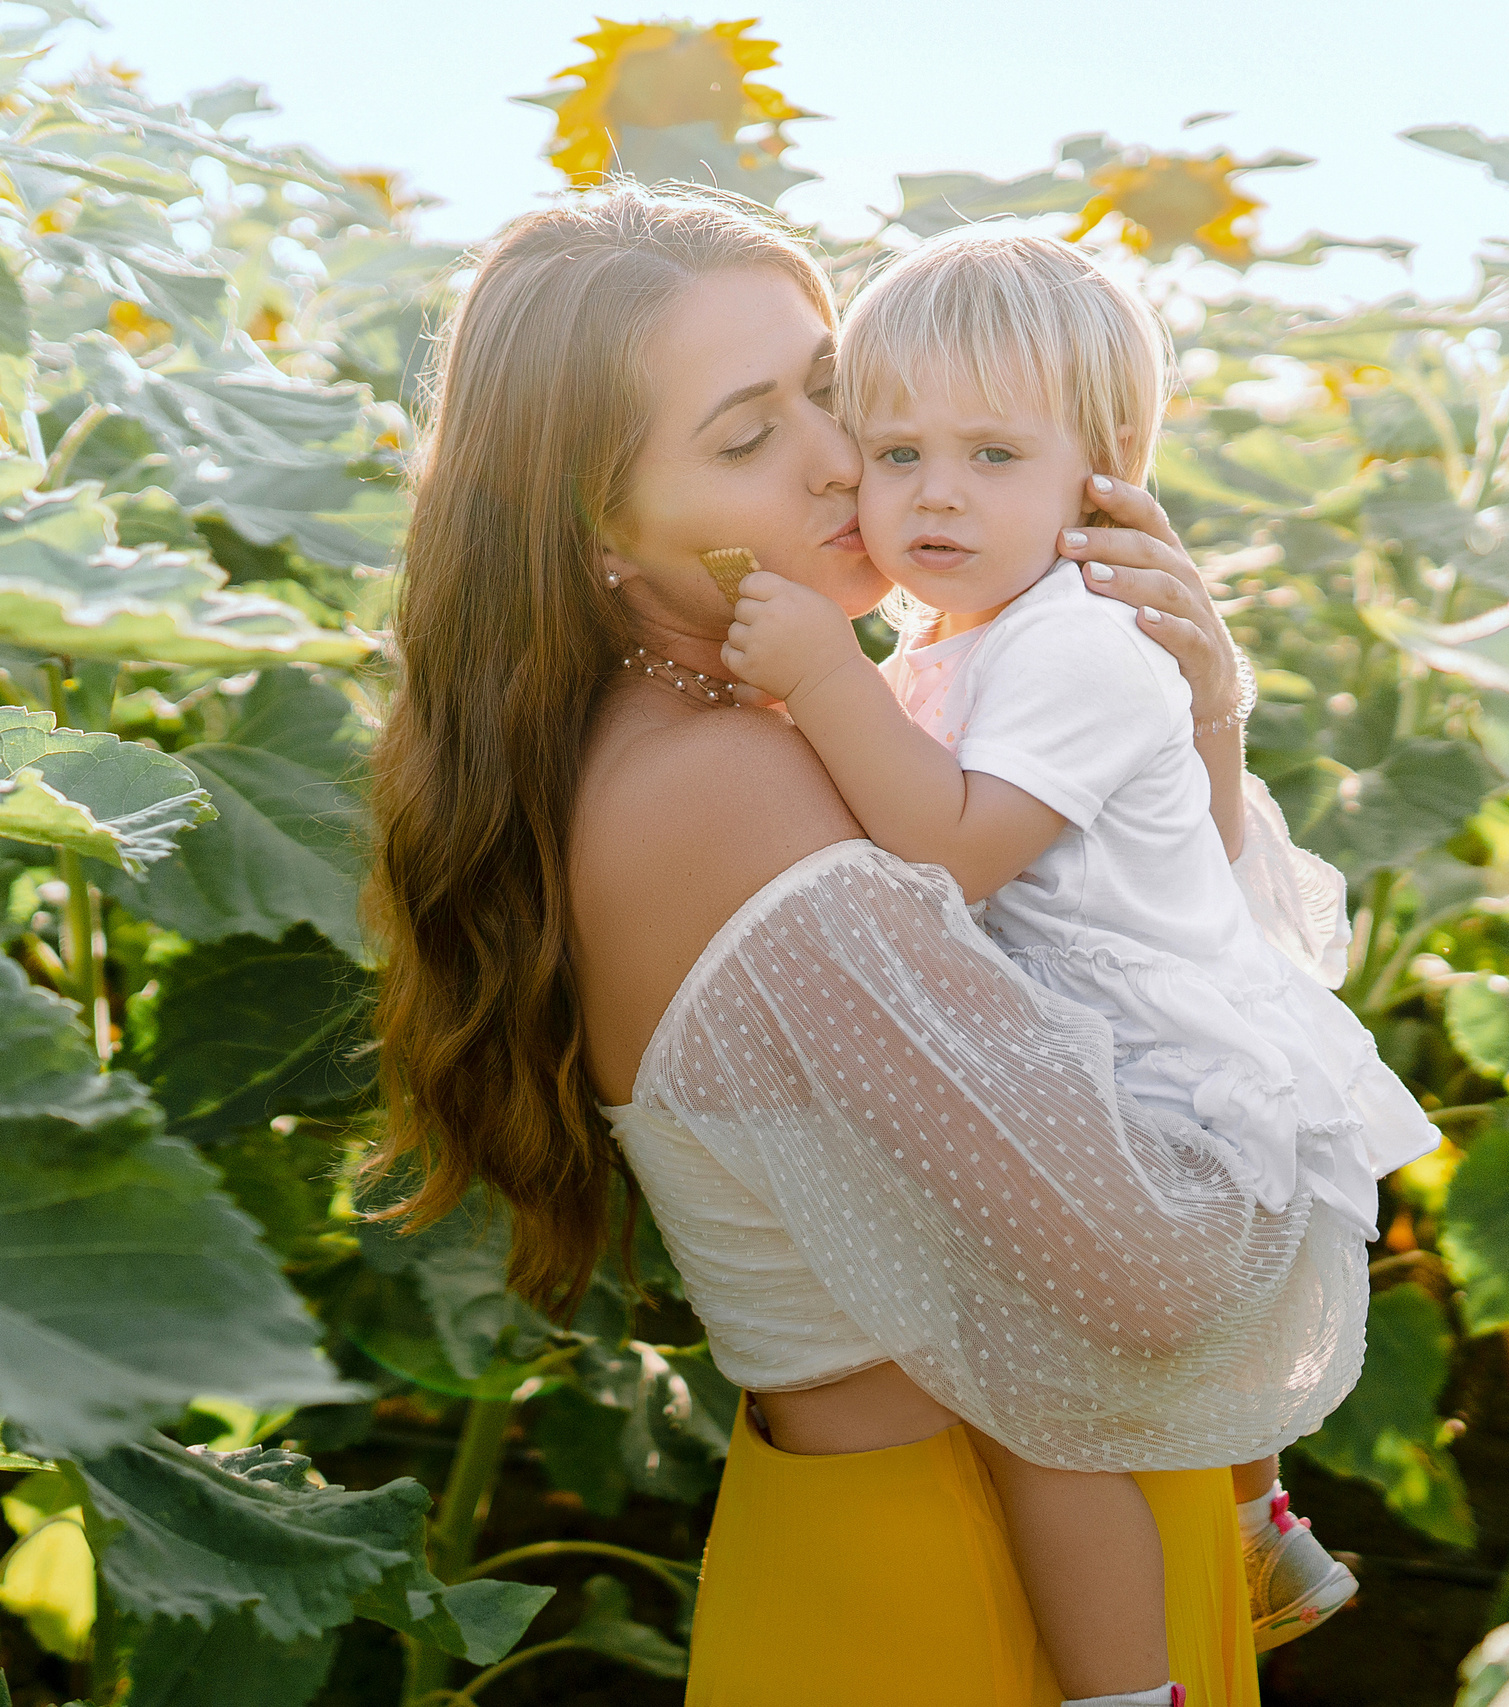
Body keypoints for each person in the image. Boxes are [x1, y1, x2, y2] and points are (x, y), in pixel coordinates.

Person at [367, 182, 1366, 1707]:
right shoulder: (723, 785)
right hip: (963, 1585)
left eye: (834, 390)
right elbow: (1145, 1274)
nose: (851, 463)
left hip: (1011, 1523)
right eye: (748, 436)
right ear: (593, 521)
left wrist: (1193, 726)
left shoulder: (779, 720)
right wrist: (1286, 1136)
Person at [717, 226, 1440, 1688]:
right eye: (896, 449)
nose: (932, 494)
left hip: (1174, 1113)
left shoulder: (1079, 644)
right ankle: (1265, 1532)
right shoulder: (977, 633)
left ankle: (1125, 1684)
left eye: (993, 456)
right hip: (1150, 1075)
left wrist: (817, 680)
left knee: (1038, 1410)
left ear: (1106, 477)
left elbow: (953, 855)